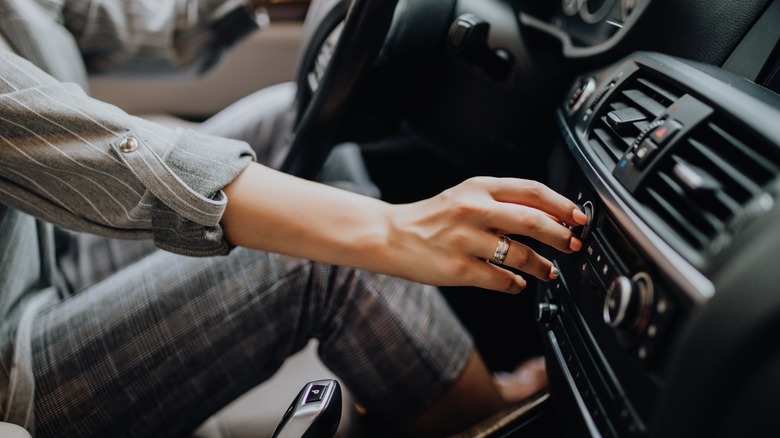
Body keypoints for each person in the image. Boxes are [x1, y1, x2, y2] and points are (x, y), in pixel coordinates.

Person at [0, 0, 588, 436]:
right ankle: (483, 417)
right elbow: (88, 146)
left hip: (46, 244)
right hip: (16, 371)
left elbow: (126, 21)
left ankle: (420, 362)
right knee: (327, 261)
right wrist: (391, 230)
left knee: (288, 113)